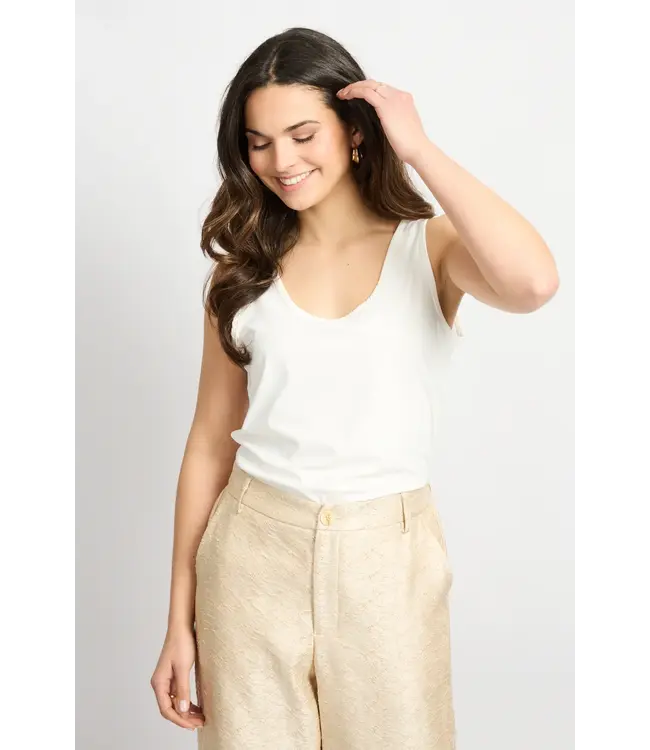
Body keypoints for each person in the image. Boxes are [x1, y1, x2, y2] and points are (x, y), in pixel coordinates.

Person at [150, 26, 559, 750]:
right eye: (258, 142)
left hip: (387, 562)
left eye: (303, 134)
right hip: (250, 557)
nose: (282, 161)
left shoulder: (430, 247)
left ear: (356, 133)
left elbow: (533, 284)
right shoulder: (241, 269)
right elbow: (210, 442)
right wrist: (178, 621)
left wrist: (419, 149)